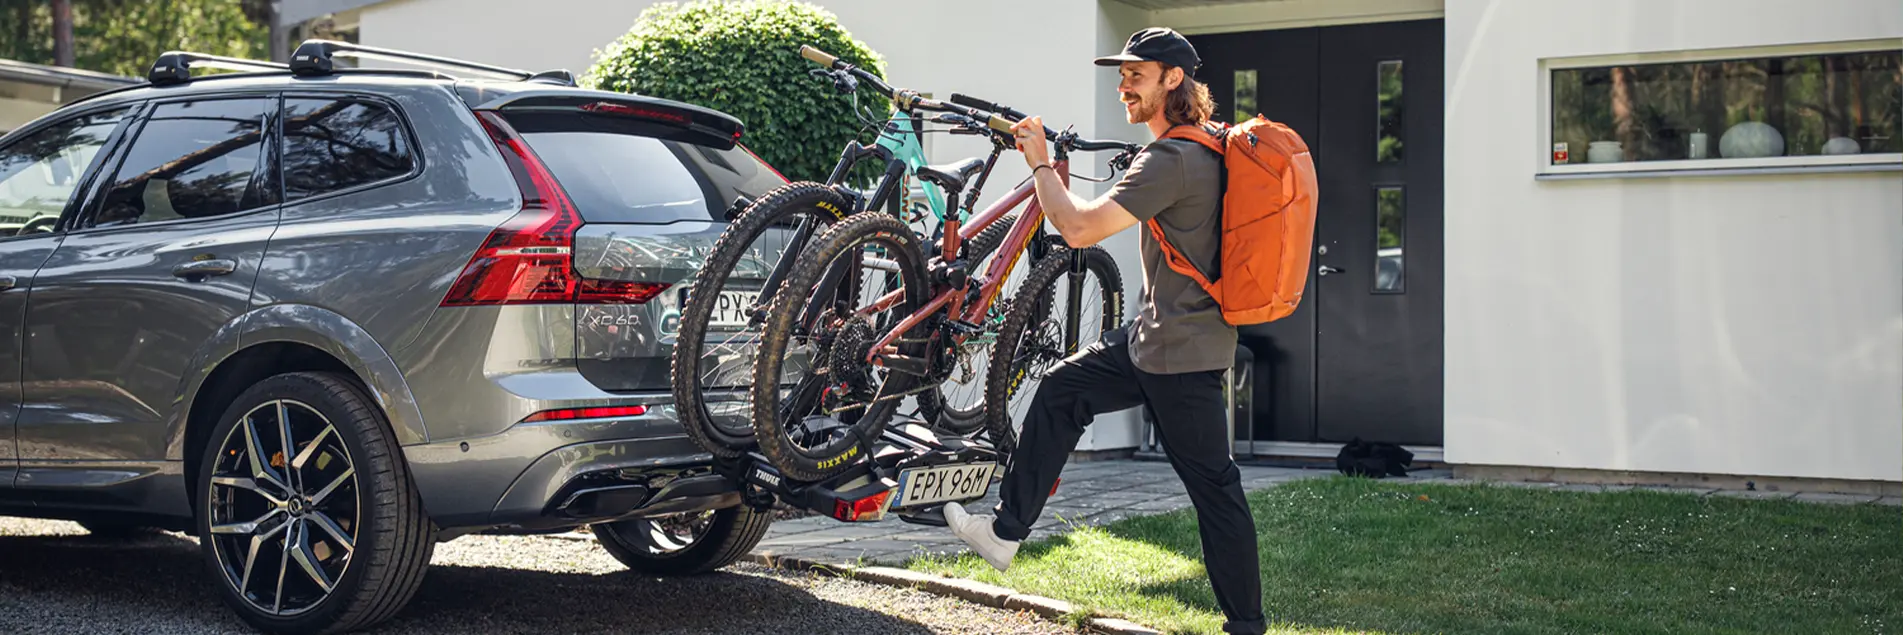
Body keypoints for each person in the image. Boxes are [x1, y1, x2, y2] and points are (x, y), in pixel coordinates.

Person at [942, 27, 1267, 635]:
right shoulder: (1205, 148)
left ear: (1174, 79)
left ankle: (1247, 627)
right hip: (1159, 340)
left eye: (1135, 74)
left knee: (1217, 494)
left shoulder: (1172, 158)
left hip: (1178, 355)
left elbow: (1078, 229)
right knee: (1065, 388)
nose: (1123, 85)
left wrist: (1040, 162)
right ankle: (1005, 534)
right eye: (1121, 74)